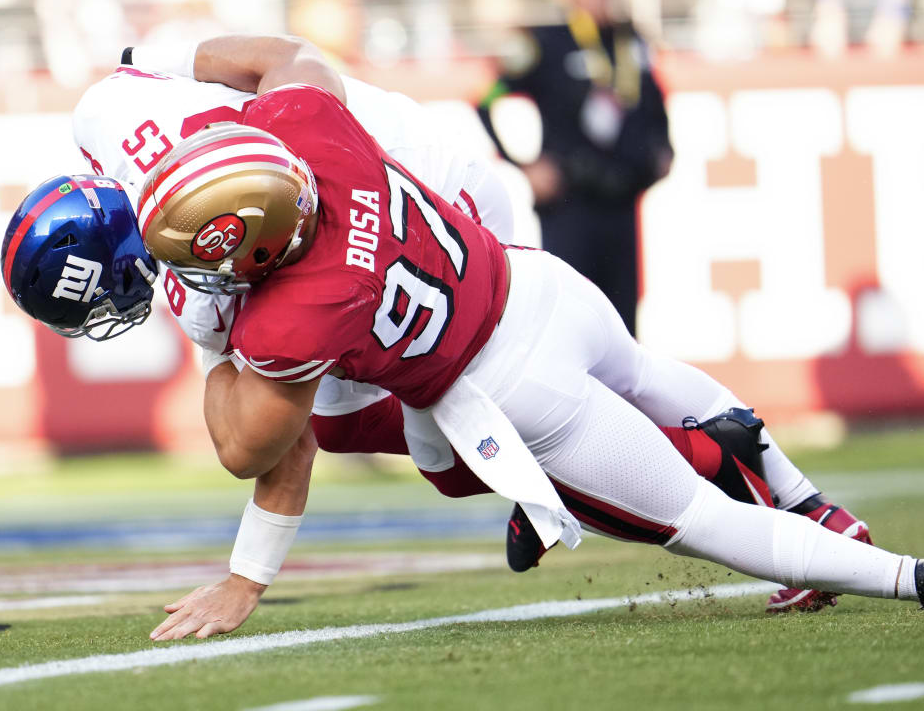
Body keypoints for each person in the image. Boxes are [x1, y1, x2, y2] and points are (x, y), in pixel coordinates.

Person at [129, 59, 924, 640]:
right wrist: (178, 63)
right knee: (650, 375)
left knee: (698, 518)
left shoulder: (289, 318)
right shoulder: (321, 136)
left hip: (505, 393)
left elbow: (249, 449)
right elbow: (284, 61)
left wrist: (209, 331)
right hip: (538, 287)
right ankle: (808, 492)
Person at [61, 35, 875, 613]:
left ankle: (689, 456)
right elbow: (259, 56)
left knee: (475, 428)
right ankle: (809, 504)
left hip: (401, 193)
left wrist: (246, 575)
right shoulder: (107, 109)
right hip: (398, 168)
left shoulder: (207, 249)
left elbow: (267, 446)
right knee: (606, 366)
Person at [479, 0, 672, 336]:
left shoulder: (631, 39)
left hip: (623, 204)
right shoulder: (546, 39)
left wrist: (665, 150)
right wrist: (525, 165)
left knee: (623, 325)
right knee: (572, 321)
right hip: (570, 205)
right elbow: (487, 101)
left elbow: (655, 105)